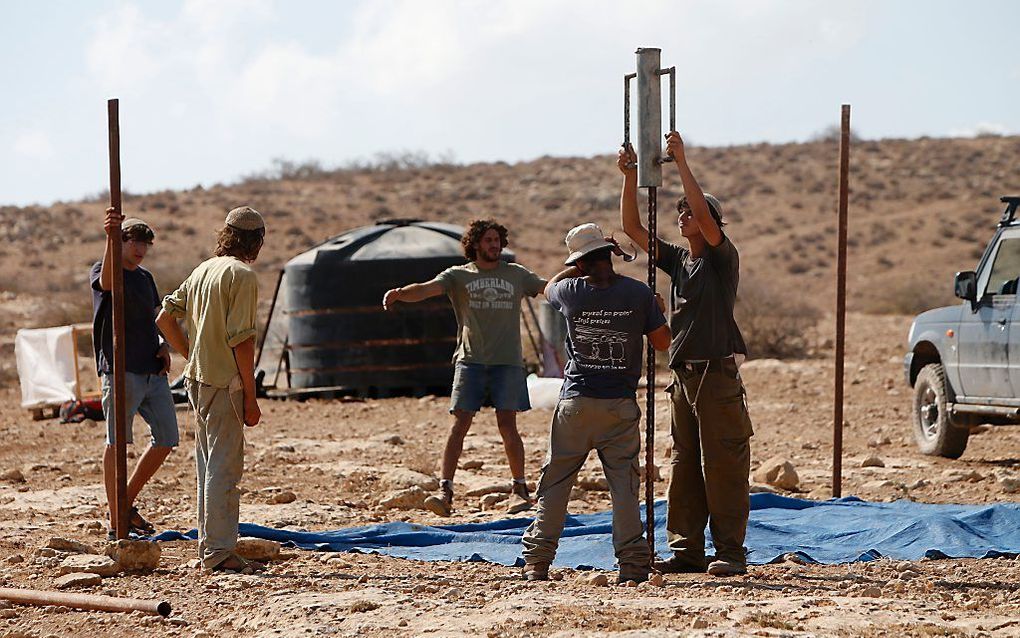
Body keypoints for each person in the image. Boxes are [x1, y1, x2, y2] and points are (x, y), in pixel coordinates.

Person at [619, 132, 754, 577]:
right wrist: (630, 176)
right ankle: (688, 550)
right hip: (683, 379)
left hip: (716, 377)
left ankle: (731, 553)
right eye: (678, 213)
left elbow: (704, 216)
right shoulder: (680, 262)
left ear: (709, 220)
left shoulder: (721, 258)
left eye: (690, 213)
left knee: (724, 466)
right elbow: (635, 231)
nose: (682, 217)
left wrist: (681, 162)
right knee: (685, 467)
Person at [521, 223, 670, 583]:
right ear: (611, 255)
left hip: (575, 403)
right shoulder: (638, 294)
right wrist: (655, 310)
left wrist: (577, 264)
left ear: (581, 263)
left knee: (557, 481)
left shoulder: (571, 291)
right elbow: (663, 342)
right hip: (619, 404)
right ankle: (632, 563)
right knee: (623, 484)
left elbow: (548, 286)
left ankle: (537, 561)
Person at [382, 219, 546, 517]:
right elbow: (427, 289)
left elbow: (549, 288)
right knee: (459, 425)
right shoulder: (459, 276)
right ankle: (445, 491)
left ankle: (519, 489)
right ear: (475, 245)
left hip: (507, 362)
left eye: (497, 239)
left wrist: (580, 278)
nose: (494, 245)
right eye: (487, 240)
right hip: (470, 361)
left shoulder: (516, 275)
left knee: (508, 425)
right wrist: (400, 293)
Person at [155, 206, 265, 573]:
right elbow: (242, 342)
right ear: (256, 240)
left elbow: (164, 318)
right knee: (224, 466)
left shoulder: (204, 270)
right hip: (224, 381)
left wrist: (190, 353)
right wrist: (251, 396)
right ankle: (218, 552)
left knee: (206, 464)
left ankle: (210, 545)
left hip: (197, 379)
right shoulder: (242, 276)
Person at [91, 208, 178, 538]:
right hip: (120, 368)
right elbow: (108, 284)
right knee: (117, 442)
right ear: (121, 242)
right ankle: (117, 519)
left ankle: (124, 502)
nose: (140, 249)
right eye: (133, 242)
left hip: (152, 371)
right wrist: (111, 238)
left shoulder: (145, 278)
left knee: (167, 438)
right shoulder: (105, 268)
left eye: (145, 243)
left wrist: (164, 344)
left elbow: (155, 318)